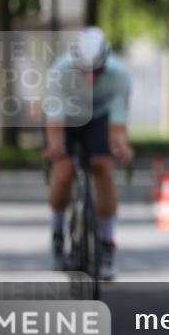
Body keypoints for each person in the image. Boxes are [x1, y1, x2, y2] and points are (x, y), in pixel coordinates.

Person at [42, 27, 133, 279]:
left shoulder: (119, 76)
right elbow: (55, 123)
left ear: (106, 62)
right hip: (66, 119)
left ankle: (106, 246)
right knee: (63, 172)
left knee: (104, 168)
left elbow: (117, 127)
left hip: (99, 118)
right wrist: (56, 148)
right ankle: (58, 236)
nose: (91, 79)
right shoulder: (60, 72)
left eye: (97, 72)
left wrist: (120, 146)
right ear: (76, 63)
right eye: (85, 72)